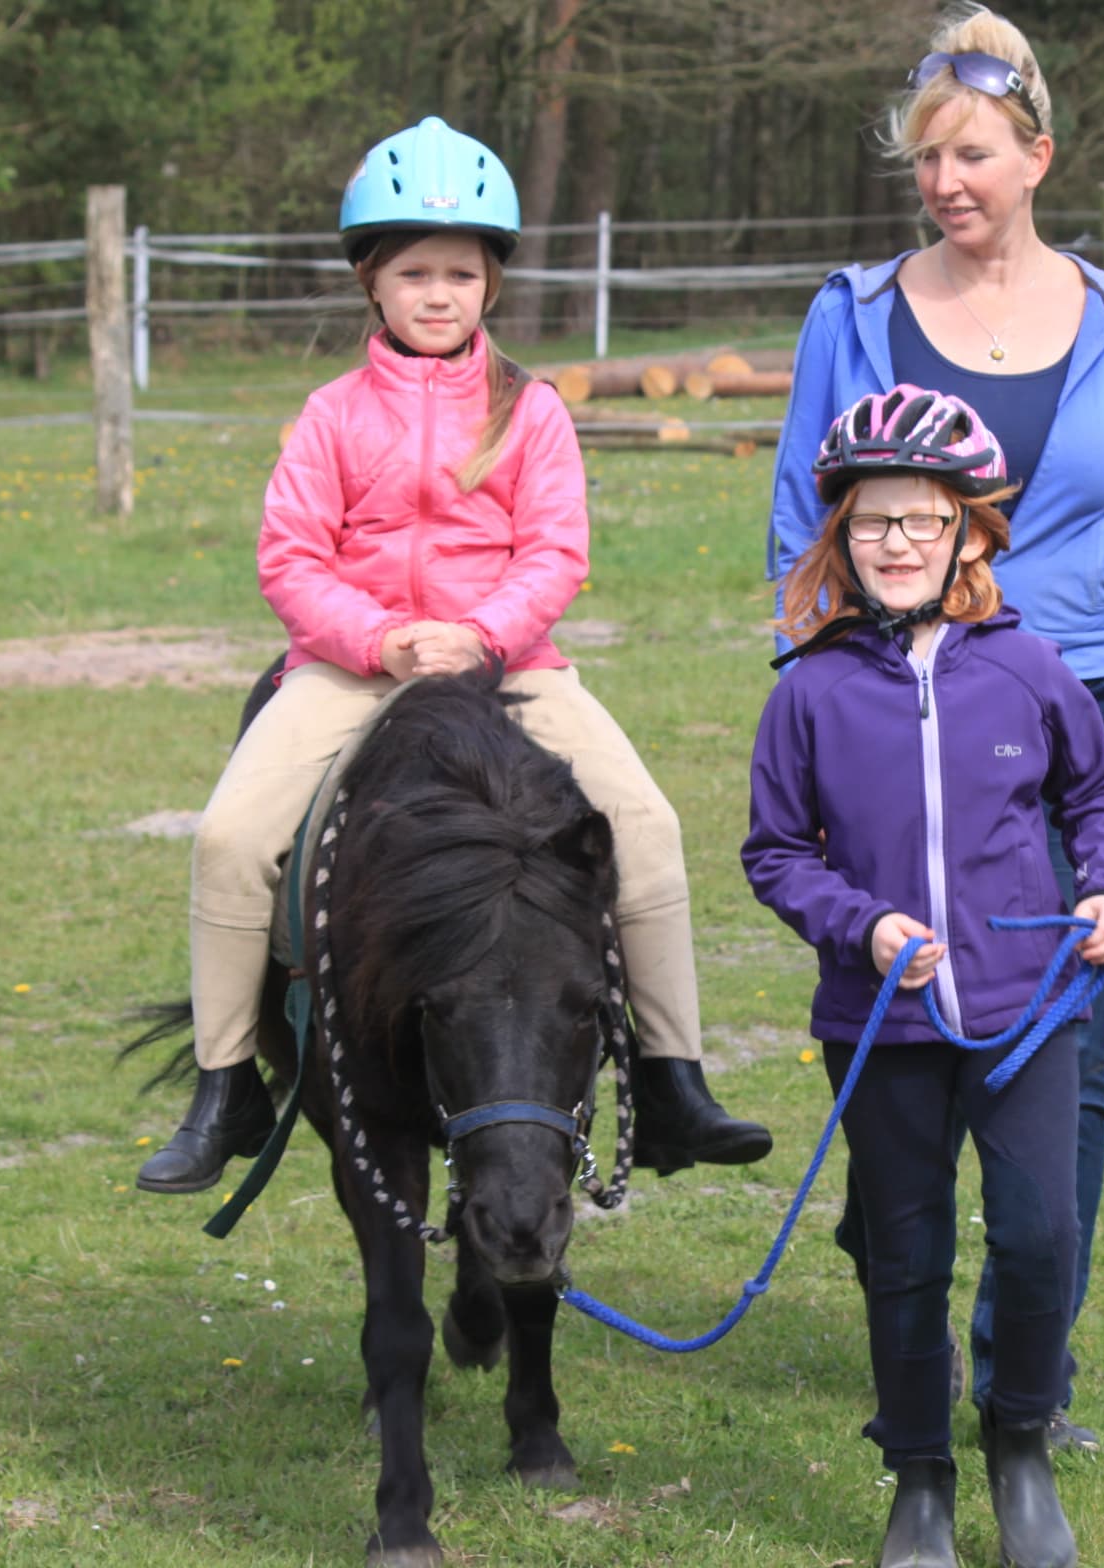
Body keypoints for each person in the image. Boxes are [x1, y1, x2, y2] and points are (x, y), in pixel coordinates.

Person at [137, 116, 769, 1195]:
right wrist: (382, 638)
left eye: (460, 274)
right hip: (349, 662)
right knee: (231, 837)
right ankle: (223, 1080)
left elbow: (555, 552)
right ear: (371, 285)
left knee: (649, 825)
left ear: (491, 286)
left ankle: (671, 1078)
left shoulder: (532, 412)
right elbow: (291, 559)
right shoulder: (330, 415)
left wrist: (479, 637)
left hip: (511, 659)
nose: (439, 294)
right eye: (416, 272)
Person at [766, 4, 1104, 1449]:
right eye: (926, 161)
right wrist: (837, 698)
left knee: (1069, 1040)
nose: (946, 182)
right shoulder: (850, 318)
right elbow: (803, 523)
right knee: (902, 1013)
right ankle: (904, 1315)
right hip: (899, 707)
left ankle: (1029, 1371)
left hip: (1100, 701)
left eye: (972, 154)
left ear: (1040, 154)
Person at [744, 386, 1104, 1568]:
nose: (899, 543)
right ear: (840, 538)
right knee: (904, 1254)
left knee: (1038, 1233)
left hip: (1027, 1012)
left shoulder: (1028, 667)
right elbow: (774, 852)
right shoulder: (806, 690)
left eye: (921, 520)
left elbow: (1099, 792)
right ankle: (918, 1473)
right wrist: (858, 926)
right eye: (873, 524)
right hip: (882, 1025)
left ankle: (1020, 1442)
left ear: (971, 529)